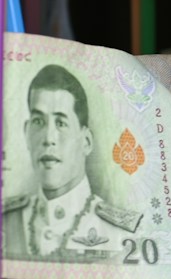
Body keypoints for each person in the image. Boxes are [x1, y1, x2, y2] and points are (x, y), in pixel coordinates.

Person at [3, 65, 143, 258]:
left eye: (61, 123)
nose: (48, 138)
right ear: (26, 133)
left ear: (86, 141)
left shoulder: (121, 232)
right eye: (38, 121)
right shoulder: (7, 220)